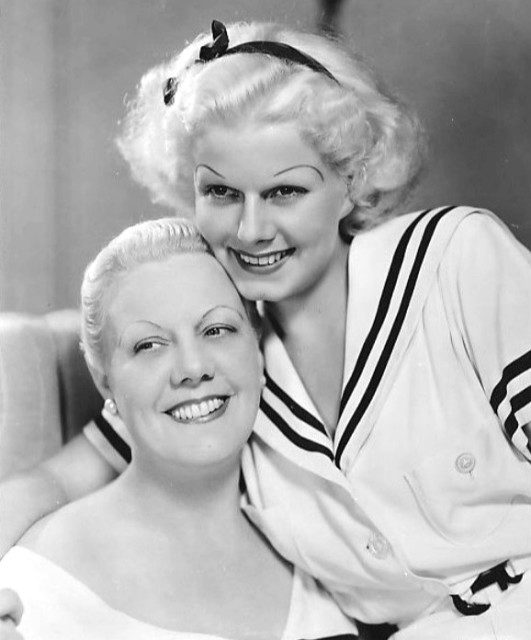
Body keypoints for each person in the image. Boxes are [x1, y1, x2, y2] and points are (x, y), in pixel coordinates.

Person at [1, 19, 531, 639]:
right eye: (222, 192)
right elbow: (55, 479)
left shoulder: (456, 262)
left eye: (284, 192)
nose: (251, 230)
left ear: (352, 181)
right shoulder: (220, 363)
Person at [0, 217, 358, 640]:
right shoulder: (37, 583)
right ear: (104, 381)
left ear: (258, 349)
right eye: (149, 345)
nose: (193, 367)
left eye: (217, 330)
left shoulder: (326, 560)